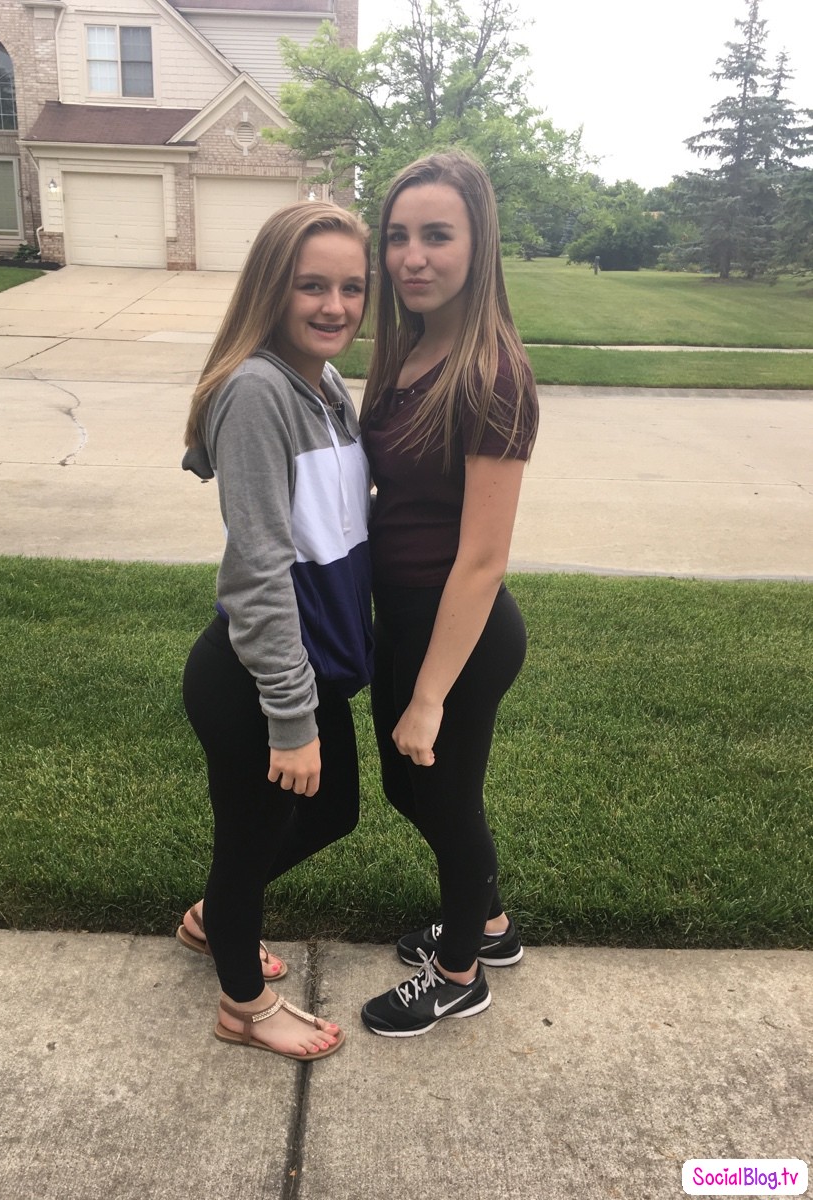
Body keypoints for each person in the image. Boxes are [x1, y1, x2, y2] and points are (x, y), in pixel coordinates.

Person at [179, 201, 374, 1060]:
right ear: (272, 288)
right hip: (256, 678)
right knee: (252, 836)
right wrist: (290, 720)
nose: (335, 306)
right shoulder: (259, 391)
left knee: (332, 812)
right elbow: (258, 571)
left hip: (310, 662)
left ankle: (215, 918)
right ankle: (243, 1003)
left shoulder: (323, 383)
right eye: (312, 286)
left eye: (351, 288)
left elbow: (337, 522)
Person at [358, 151, 540, 1037]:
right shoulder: (410, 349)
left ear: (479, 244)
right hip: (402, 616)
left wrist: (429, 695)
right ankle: (489, 923)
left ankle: (462, 971)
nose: (412, 256)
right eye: (398, 236)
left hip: (458, 632)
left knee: (444, 799)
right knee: (409, 791)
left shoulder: (492, 375)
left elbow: (483, 560)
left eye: (437, 235)